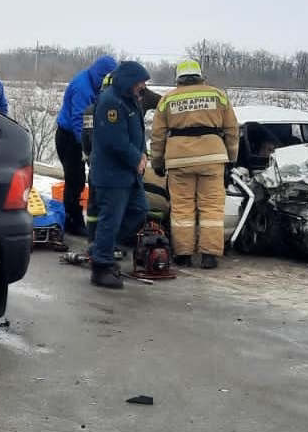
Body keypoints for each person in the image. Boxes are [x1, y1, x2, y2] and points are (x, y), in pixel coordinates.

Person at [148, 58, 239, 269]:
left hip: (179, 159)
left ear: (178, 78)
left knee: (182, 208)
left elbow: (158, 135)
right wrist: (232, 159)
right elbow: (232, 130)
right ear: (201, 76)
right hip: (212, 157)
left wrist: (158, 162)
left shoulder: (168, 100)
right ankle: (209, 255)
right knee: (212, 209)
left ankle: (183, 254)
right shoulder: (218, 95)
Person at [87, 60, 151, 289]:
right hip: (112, 175)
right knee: (110, 221)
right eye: (141, 82)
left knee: (139, 210)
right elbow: (115, 140)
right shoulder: (110, 102)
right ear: (129, 81)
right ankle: (101, 266)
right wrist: (136, 158)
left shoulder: (130, 100)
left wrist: (143, 155)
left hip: (129, 174)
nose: (143, 86)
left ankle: (100, 248)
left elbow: (137, 133)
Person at [54, 55, 117, 238]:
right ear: (102, 75)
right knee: (75, 180)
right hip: (70, 138)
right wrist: (87, 149)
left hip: (84, 135)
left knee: (79, 180)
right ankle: (72, 221)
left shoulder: (96, 84)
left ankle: (75, 218)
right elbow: (79, 121)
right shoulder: (83, 87)